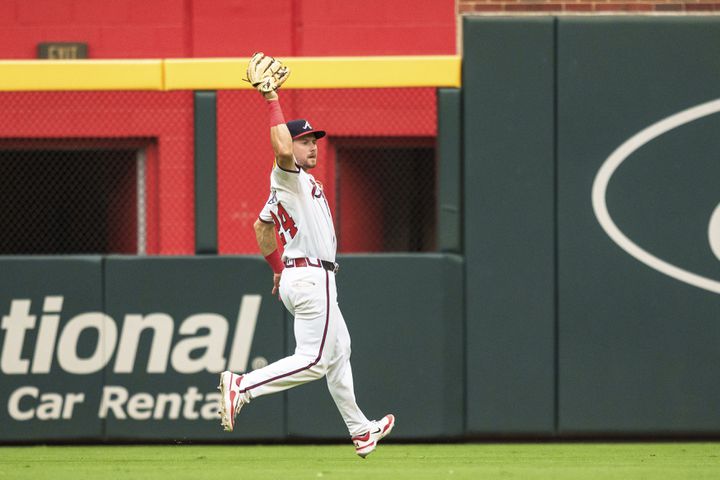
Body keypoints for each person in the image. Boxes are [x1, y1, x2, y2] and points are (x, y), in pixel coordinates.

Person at [218, 52, 394, 458]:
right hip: (314, 278)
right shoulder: (288, 177)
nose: (312, 146)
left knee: (339, 351)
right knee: (314, 360)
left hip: (302, 276)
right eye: (304, 140)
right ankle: (241, 386)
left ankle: (360, 430)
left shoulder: (292, 187)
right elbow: (280, 152)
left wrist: (277, 270)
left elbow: (261, 226)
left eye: (314, 140)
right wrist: (271, 99)